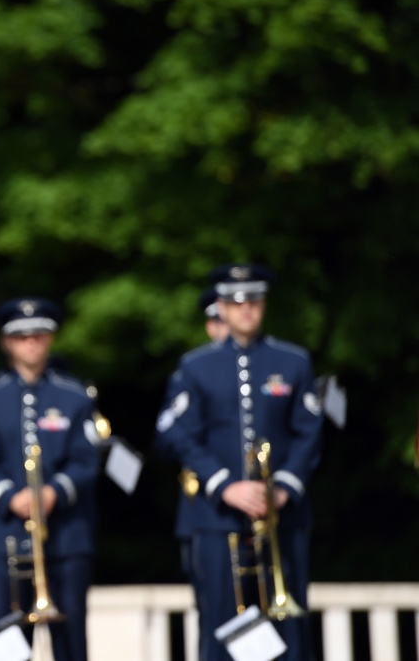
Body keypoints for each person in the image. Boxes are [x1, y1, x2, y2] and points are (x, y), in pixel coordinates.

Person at [155, 264, 322, 661]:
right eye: (235, 302)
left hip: (282, 516)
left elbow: (309, 431)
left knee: (291, 631)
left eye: (254, 301)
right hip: (218, 517)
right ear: (222, 308)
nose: (245, 309)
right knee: (221, 626)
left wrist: (282, 487)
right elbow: (181, 435)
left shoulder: (294, 361)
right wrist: (225, 484)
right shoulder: (195, 366)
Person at [0, 298, 100, 660]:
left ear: (50, 339)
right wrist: (10, 497)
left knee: (71, 642)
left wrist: (54, 492)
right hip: (4, 536)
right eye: (21, 336)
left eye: (39, 335)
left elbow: (87, 459)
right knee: (5, 643)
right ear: (7, 342)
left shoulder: (74, 396)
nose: (31, 342)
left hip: (66, 537)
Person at [153, 286, 229, 650]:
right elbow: (168, 437)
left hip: (266, 507)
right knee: (214, 617)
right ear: (209, 326)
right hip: (207, 510)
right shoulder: (193, 372)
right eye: (218, 318)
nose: (226, 324)